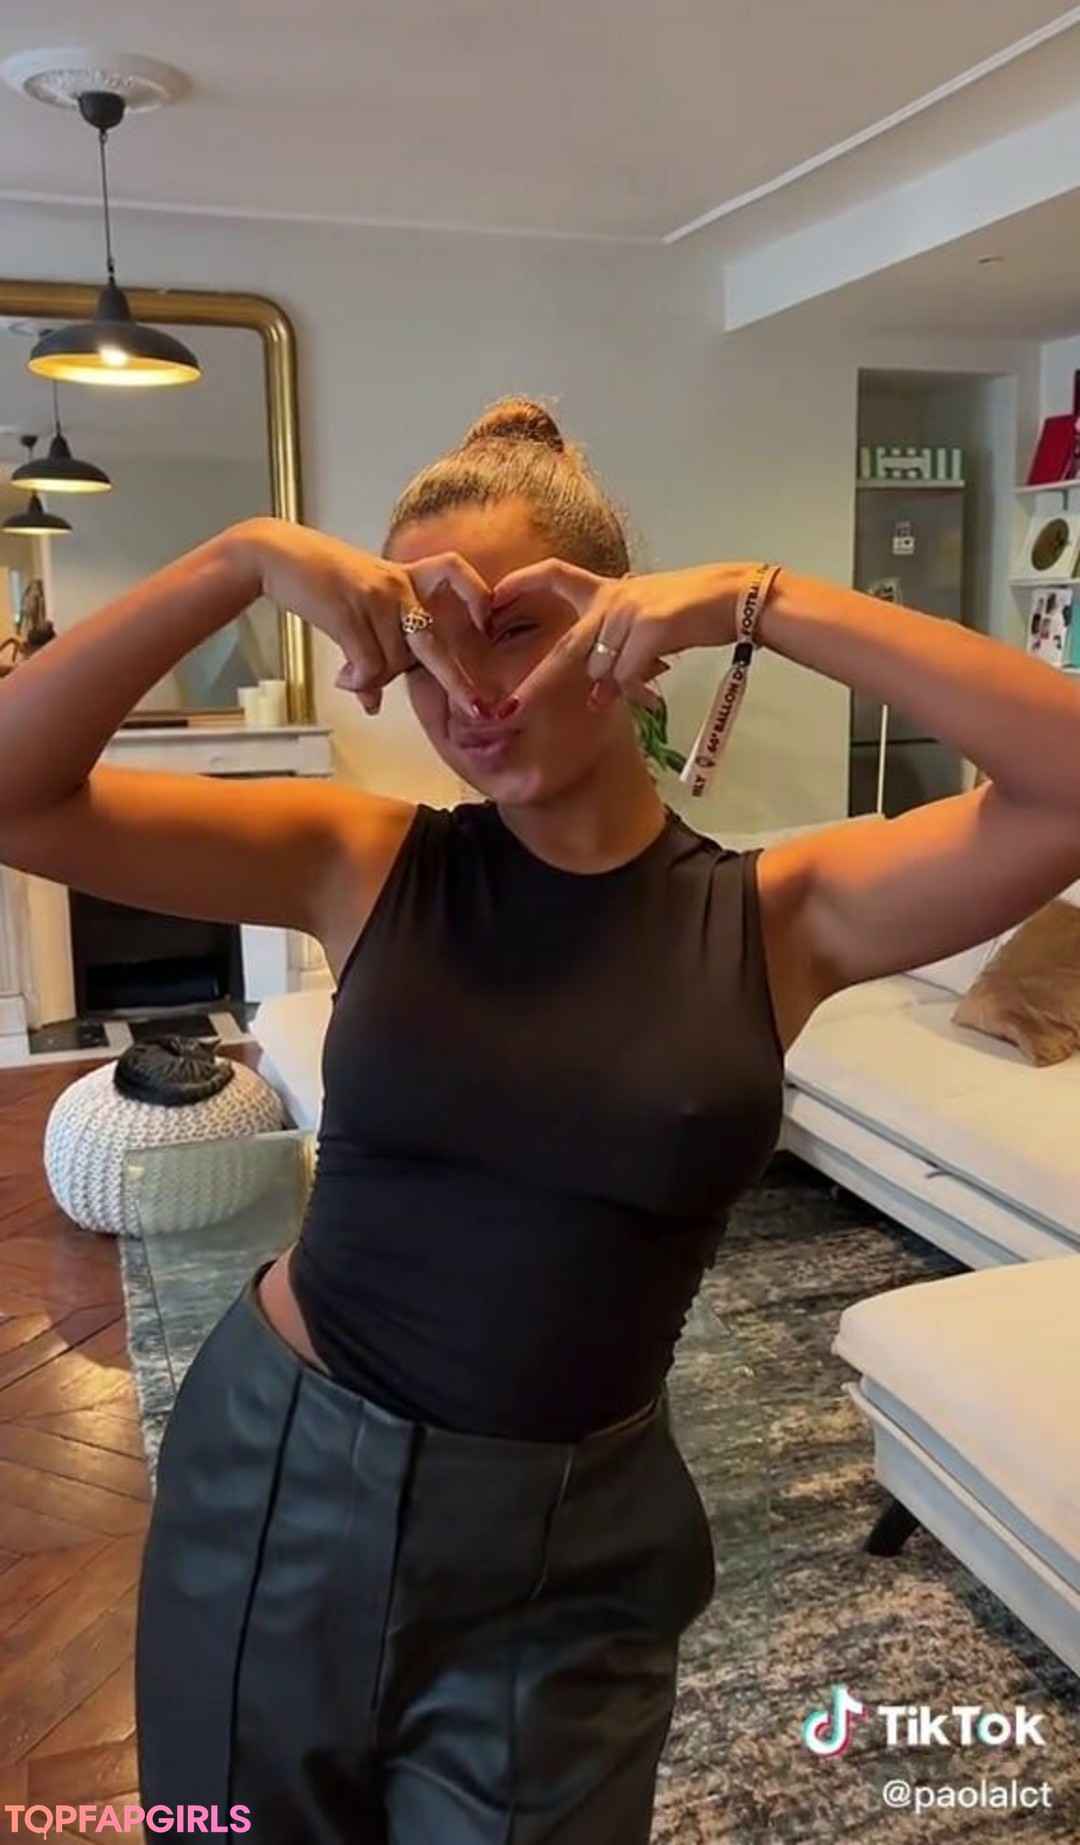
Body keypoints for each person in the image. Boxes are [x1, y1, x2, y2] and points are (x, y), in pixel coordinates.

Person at [1, 397, 1079, 1842]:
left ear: (624, 633)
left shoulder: (776, 918)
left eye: (510, 628)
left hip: (578, 1553)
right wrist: (242, 559)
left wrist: (749, 600)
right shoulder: (363, 862)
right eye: (422, 645)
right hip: (285, 1480)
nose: (468, 688)